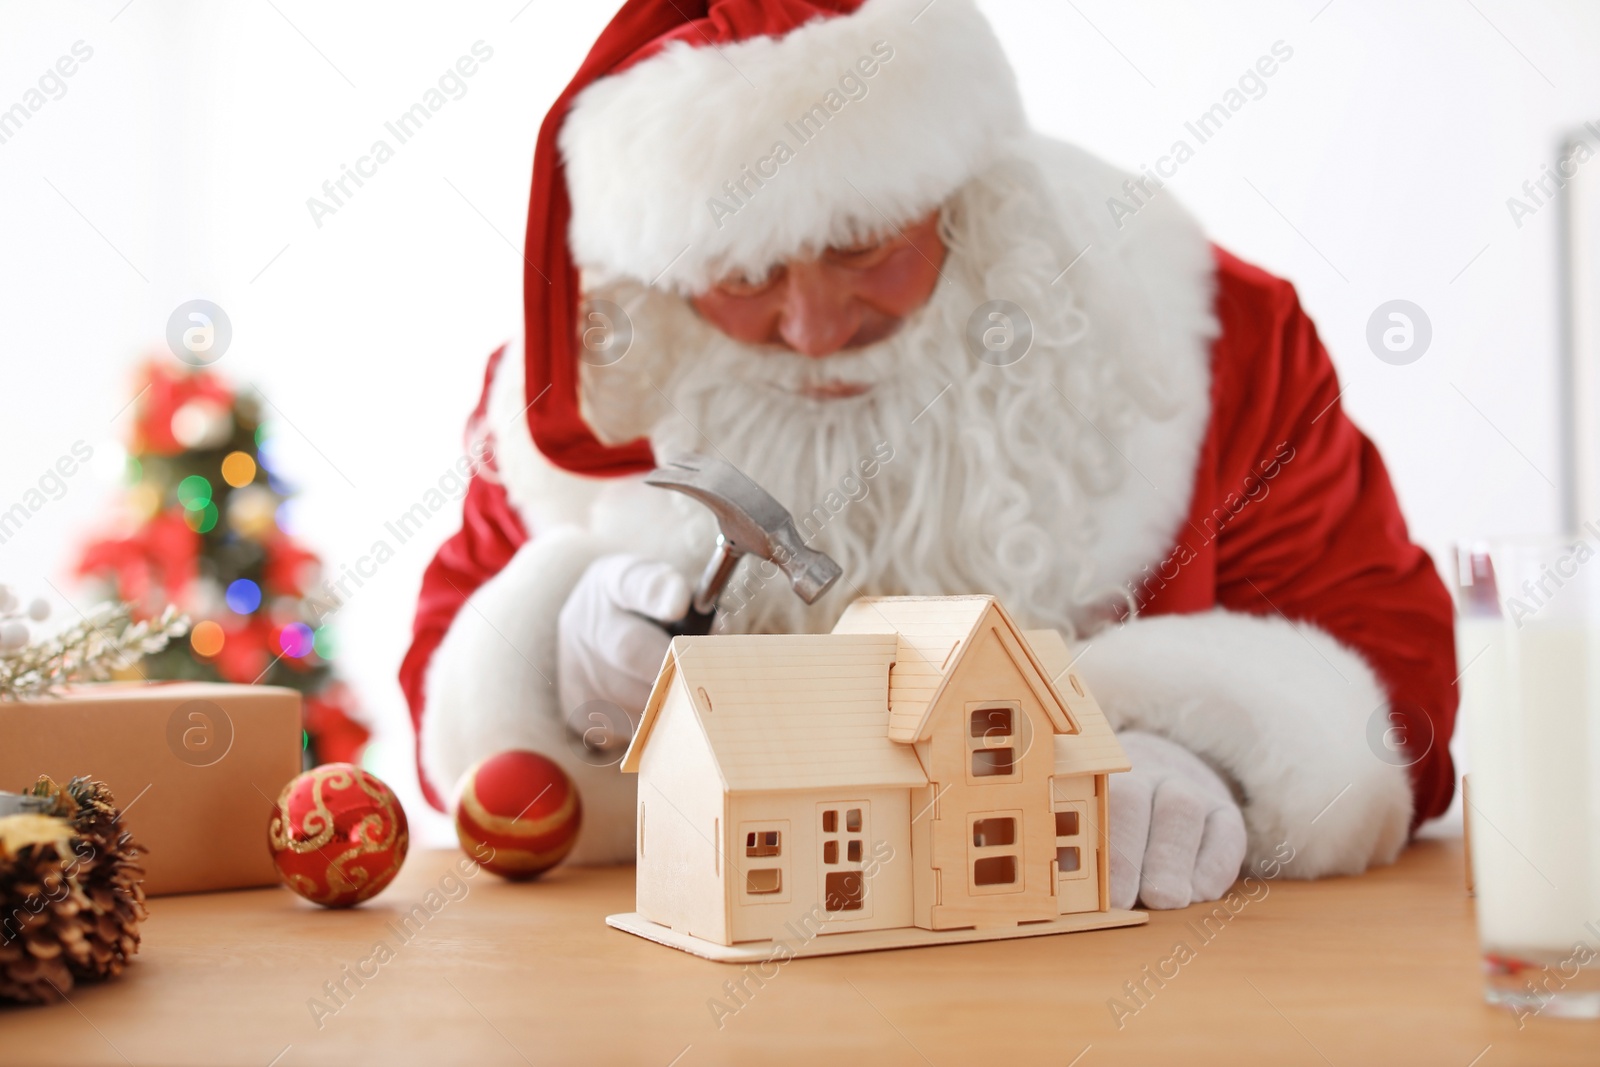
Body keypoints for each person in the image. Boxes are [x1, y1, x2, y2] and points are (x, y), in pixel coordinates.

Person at [401, 0, 1457, 910]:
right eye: (739, 273)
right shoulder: (586, 374)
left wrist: (1222, 759)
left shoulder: (1216, 334)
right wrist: (555, 673)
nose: (811, 328)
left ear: (963, 199)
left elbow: (1398, 676)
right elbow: (450, 717)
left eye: (864, 244)